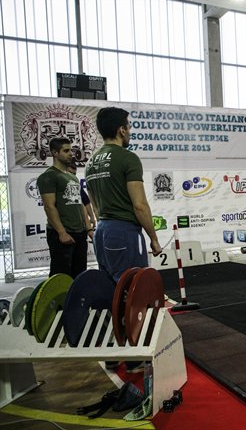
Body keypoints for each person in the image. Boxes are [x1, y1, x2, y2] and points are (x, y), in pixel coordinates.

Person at [86, 107, 162, 373]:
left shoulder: (91, 162)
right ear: (121, 129)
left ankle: (111, 351)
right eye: (128, 126)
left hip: (103, 230)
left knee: (111, 292)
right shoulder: (127, 158)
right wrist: (153, 237)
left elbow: (95, 206)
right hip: (123, 231)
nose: (129, 131)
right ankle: (132, 358)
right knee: (133, 292)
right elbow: (139, 205)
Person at [36, 137, 92, 278]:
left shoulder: (72, 178)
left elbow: (80, 205)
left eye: (71, 150)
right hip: (62, 234)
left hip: (79, 233)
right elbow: (49, 207)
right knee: (60, 277)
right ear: (55, 153)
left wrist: (88, 228)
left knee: (79, 276)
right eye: (66, 151)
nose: (71, 154)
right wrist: (61, 233)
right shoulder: (48, 177)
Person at [67, 164, 97, 236]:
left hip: (80, 225)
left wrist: (92, 218)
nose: (72, 176)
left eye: (74, 174)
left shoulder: (76, 185)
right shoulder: (59, 185)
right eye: (70, 173)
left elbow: (86, 202)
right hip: (66, 225)